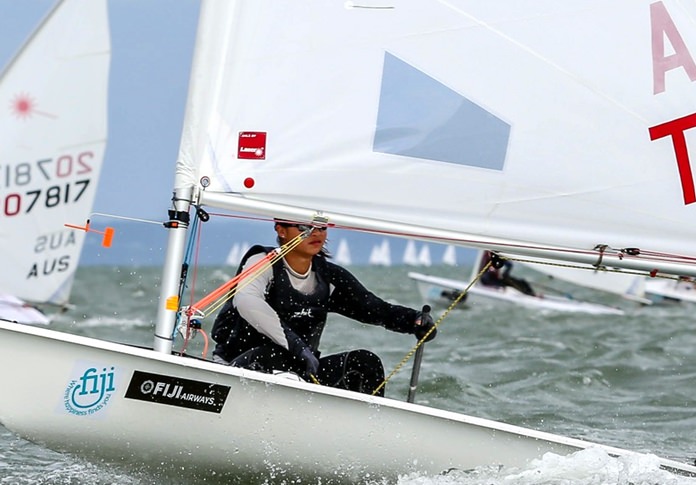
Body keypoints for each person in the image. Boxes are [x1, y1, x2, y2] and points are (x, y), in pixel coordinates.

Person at [211, 220, 437, 397]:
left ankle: (368, 434)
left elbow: (374, 308)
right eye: (305, 227)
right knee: (279, 354)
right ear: (281, 230)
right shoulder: (262, 261)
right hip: (238, 368)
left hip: (300, 372)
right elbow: (246, 301)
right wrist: (296, 346)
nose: (316, 233)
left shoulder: (327, 276)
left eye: (321, 228)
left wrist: (414, 321)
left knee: (365, 362)